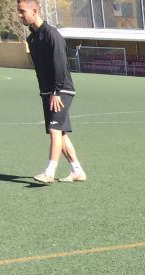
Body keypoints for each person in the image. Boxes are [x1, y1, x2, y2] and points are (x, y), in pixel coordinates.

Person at [18, 0, 85, 184]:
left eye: (22, 11)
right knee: (60, 133)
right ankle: (77, 170)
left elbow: (61, 64)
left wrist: (56, 91)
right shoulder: (31, 39)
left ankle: (49, 172)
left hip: (61, 89)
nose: (20, 15)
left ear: (34, 10)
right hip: (48, 92)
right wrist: (45, 93)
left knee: (55, 129)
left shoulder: (52, 34)